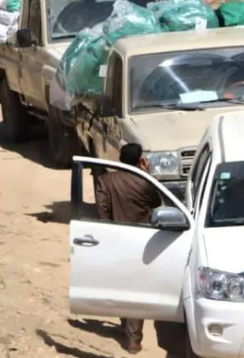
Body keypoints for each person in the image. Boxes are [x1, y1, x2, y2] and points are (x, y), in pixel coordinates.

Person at [94, 142, 163, 354]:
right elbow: (156, 201)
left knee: (120, 285)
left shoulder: (105, 181)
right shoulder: (143, 181)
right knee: (136, 289)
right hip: (140, 242)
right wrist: (147, 174)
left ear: (120, 159)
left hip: (115, 240)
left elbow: (103, 213)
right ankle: (133, 339)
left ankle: (126, 326)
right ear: (140, 160)